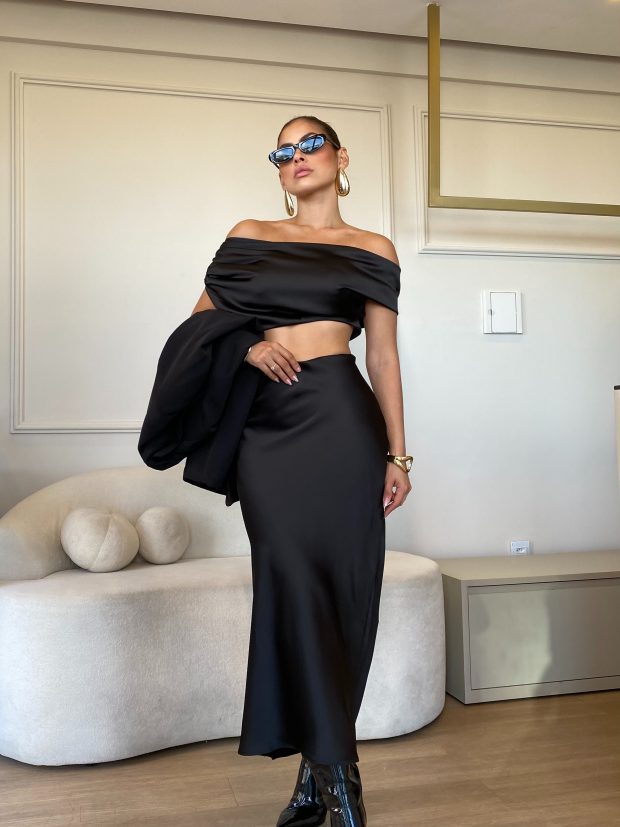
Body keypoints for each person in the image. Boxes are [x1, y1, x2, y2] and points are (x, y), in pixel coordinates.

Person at [190, 115, 412, 827]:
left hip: (342, 422)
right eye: (283, 151)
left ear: (341, 157)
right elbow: (197, 326)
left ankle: (321, 783)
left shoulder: (372, 248)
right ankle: (341, 782)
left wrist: (397, 453)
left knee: (342, 593)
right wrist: (248, 346)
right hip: (268, 430)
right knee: (292, 587)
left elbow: (382, 356)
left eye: (310, 143)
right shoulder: (250, 234)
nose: (296, 157)